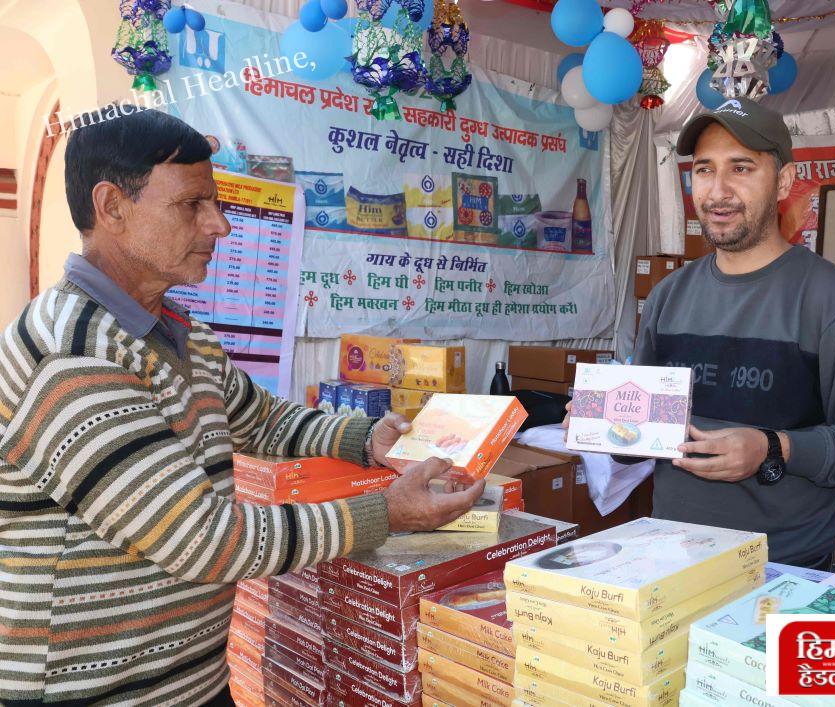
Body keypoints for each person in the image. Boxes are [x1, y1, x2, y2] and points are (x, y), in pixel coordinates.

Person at [0, 107, 483, 706]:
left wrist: (364, 439)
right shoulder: (71, 353)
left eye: (216, 203)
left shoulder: (183, 334)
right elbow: (202, 539)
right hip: (92, 690)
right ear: (112, 207)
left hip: (192, 681)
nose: (220, 226)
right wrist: (384, 513)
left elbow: (262, 420)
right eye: (192, 205)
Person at [630, 99, 835, 569]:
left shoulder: (834, 302)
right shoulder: (667, 296)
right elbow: (639, 434)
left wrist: (774, 447)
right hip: (668, 559)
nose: (717, 191)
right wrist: (598, 426)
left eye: (741, 168)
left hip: (782, 571)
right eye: (704, 170)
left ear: (783, 181)